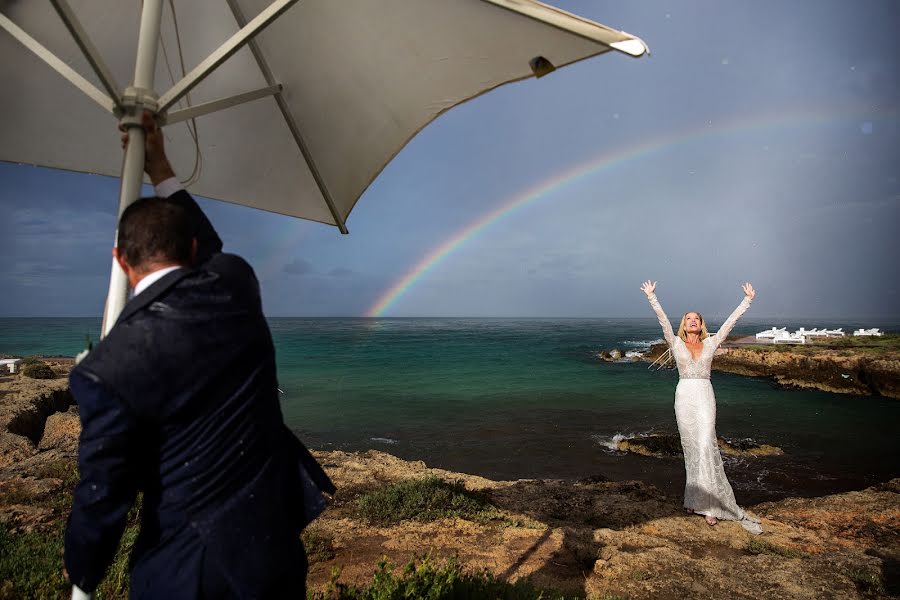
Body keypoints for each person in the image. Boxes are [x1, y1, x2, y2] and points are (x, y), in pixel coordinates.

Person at [64, 111, 334, 598]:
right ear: (191, 249)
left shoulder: (106, 369)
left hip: (188, 572)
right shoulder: (235, 284)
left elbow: (103, 493)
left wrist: (81, 572)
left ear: (120, 260)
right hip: (273, 548)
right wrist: (161, 166)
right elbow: (214, 246)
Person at [640, 280, 762, 535]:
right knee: (691, 448)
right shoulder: (675, 343)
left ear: (701, 323)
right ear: (683, 324)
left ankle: (711, 507)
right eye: (688, 318)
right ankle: (694, 501)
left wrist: (747, 301)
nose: (692, 321)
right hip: (684, 396)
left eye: (696, 318)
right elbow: (662, 320)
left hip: (705, 395)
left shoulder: (711, 343)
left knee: (706, 444)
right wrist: (652, 297)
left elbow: (730, 323)